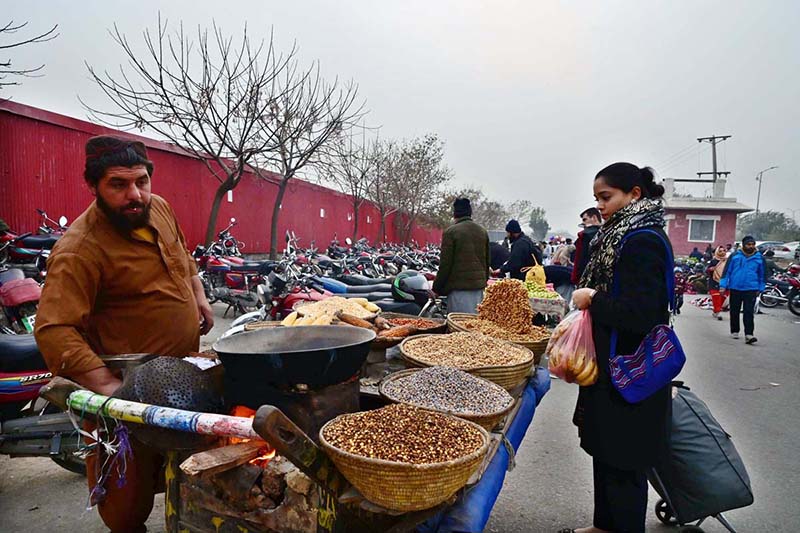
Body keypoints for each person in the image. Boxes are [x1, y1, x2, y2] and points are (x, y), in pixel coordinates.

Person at [34, 136, 214, 532]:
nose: (135, 194)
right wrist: (110, 390)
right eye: (119, 184)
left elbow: (181, 254)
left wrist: (198, 296)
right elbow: (53, 329)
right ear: (94, 186)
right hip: (128, 392)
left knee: (190, 472)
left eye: (142, 181)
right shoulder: (81, 248)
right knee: (126, 506)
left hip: (180, 378)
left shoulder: (160, 207)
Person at [562, 162, 671, 533]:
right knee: (605, 451)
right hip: (610, 364)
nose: (600, 206)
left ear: (634, 194)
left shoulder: (643, 241)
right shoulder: (616, 235)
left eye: (606, 197)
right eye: (597, 198)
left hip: (632, 369)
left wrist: (592, 297)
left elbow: (643, 315)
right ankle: (603, 526)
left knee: (624, 462)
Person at [432, 197, 490, 313]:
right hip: (478, 289)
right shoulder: (482, 231)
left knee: (459, 325)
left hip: (459, 290)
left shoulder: (451, 232)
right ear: (470, 212)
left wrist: (436, 288)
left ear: (455, 213)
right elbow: (487, 262)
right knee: (476, 324)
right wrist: (483, 281)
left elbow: (445, 265)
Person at [719, 236, 766, 344]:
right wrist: (723, 285)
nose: (751, 246)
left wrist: (760, 288)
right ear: (743, 245)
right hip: (735, 287)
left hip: (751, 288)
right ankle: (735, 330)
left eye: (753, 244)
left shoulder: (759, 258)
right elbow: (727, 272)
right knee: (734, 311)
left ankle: (749, 334)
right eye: (748, 244)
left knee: (749, 312)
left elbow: (762, 275)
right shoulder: (735, 256)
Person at [571, 207, 602, 285]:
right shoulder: (608, 233)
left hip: (586, 277)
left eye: (585, 219)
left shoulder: (586, 235)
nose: (583, 223)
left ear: (594, 217)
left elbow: (581, 259)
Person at [707, 246, 728, 320]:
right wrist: (711, 269)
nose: (722, 252)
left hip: (726, 282)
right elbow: (707, 271)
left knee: (723, 298)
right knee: (716, 298)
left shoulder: (728, 261)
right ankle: (718, 312)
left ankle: (716, 311)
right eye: (720, 251)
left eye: (724, 251)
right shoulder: (713, 261)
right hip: (714, 282)